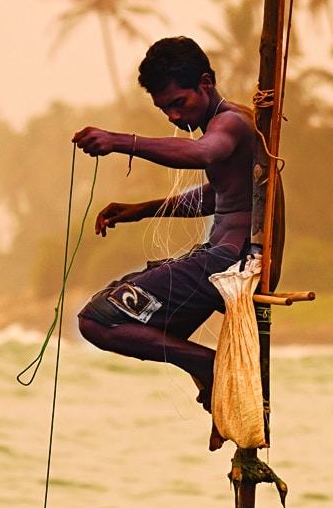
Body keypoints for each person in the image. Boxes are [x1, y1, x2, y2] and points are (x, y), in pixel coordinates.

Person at [72, 36, 255, 423]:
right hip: (221, 257)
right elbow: (216, 196)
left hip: (231, 261)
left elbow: (204, 153)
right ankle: (203, 369)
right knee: (140, 317)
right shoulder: (222, 125)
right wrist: (142, 210)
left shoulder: (230, 123)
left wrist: (119, 141)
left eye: (178, 104)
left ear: (205, 82)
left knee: (96, 320)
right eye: (164, 109)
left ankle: (207, 364)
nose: (173, 117)